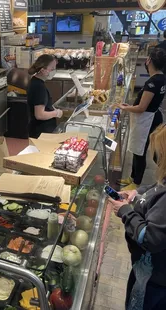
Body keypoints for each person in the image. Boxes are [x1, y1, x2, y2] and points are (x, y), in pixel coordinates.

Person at [108, 124, 166, 310]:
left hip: (155, 278)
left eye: (159, 153)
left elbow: (150, 238)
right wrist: (138, 193)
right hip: (148, 272)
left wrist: (126, 212)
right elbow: (157, 187)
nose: (155, 158)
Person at [116, 48, 166, 190]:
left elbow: (141, 108)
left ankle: (135, 183)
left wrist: (125, 108)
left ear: (149, 60)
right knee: (138, 150)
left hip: (146, 120)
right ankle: (132, 177)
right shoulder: (161, 77)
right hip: (152, 116)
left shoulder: (152, 83)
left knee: (139, 152)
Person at [27, 54, 63, 138]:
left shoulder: (35, 81)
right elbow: (39, 115)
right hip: (41, 132)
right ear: (43, 70)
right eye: (52, 69)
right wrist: (56, 113)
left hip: (38, 129)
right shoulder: (39, 87)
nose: (54, 71)